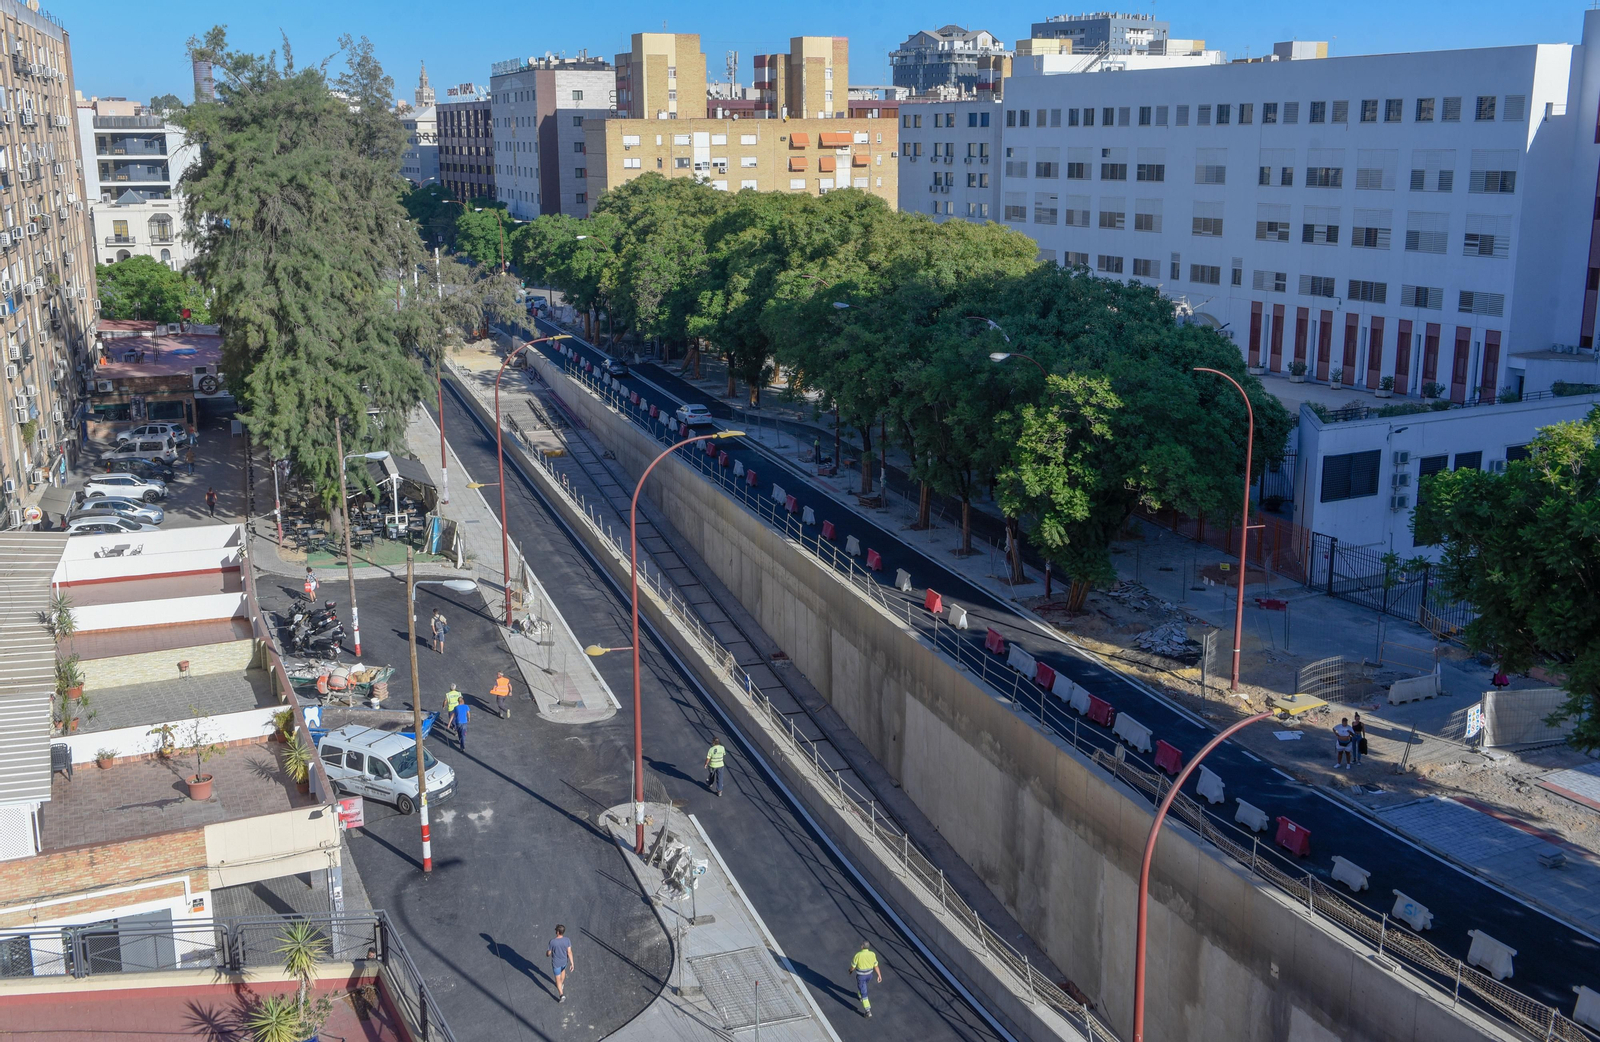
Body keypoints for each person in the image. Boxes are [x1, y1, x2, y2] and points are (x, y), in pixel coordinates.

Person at [849, 942, 882, 1018]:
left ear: (862, 946)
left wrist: (850, 971)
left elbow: (853, 966)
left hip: (861, 977)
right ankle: (860, 995)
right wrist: (879, 975)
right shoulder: (872, 954)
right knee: (862, 988)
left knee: (864, 993)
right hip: (869, 976)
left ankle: (868, 1010)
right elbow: (876, 966)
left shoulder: (858, 955)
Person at [548, 925, 574, 1003]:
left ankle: (561, 994)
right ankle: (561, 984)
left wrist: (547, 953)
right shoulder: (567, 940)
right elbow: (569, 952)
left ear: (558, 932)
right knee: (563, 971)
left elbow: (549, 953)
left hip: (556, 963)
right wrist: (572, 963)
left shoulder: (552, 942)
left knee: (557, 978)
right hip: (564, 962)